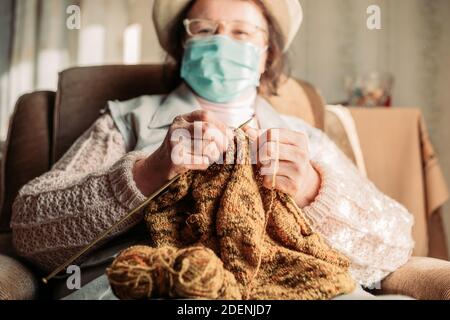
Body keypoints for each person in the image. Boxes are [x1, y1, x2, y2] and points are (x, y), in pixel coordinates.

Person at [11, 0, 414, 300]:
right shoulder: (127, 120)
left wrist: (312, 190)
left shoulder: (304, 138)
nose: (222, 42)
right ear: (183, 46)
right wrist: (148, 172)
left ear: (267, 54)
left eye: (241, 33)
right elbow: (30, 230)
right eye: (204, 30)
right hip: (151, 284)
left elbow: (394, 245)